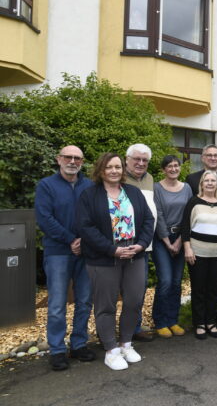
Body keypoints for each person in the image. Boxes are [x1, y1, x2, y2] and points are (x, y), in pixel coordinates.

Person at [76, 153, 154, 371]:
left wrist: (141, 245)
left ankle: (126, 344)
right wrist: (112, 250)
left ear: (123, 170)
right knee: (106, 305)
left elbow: (148, 220)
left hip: (134, 254)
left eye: (118, 167)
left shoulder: (133, 192)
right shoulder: (89, 195)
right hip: (104, 258)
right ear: (101, 170)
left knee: (134, 301)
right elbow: (86, 228)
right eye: (109, 167)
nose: (114, 171)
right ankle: (111, 350)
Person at [35, 145, 95, 371]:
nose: (72, 161)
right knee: (57, 304)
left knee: (84, 301)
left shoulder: (89, 186)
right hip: (58, 252)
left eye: (77, 158)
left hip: (85, 252)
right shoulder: (46, 185)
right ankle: (58, 350)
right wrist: (71, 239)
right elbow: (44, 218)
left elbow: (96, 216)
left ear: (82, 161)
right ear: (58, 159)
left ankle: (79, 344)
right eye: (68, 157)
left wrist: (84, 241)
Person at [185, 144, 217, 327]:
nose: (213, 158)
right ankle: (200, 320)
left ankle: (216, 312)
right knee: (200, 283)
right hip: (198, 243)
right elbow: (189, 214)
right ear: (202, 157)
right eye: (209, 155)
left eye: (216, 155)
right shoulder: (191, 179)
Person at [181, 170, 217, 340]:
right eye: (206, 180)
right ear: (201, 183)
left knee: (213, 289)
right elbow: (185, 226)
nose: (210, 183)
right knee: (199, 289)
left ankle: (210, 322)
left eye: (213, 180)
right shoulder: (194, 202)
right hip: (197, 253)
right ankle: (199, 323)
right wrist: (187, 248)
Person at [152, 155, 192, 338]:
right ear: (163, 169)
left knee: (177, 282)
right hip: (162, 239)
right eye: (170, 166)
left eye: (176, 166)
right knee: (166, 281)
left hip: (182, 237)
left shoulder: (187, 188)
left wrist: (180, 240)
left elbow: (190, 214)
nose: (174, 169)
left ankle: (172, 320)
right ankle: (160, 322)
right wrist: (167, 241)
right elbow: (158, 214)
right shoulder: (157, 188)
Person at [124, 143, 157, 342]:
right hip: (119, 245)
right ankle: (109, 332)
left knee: (138, 290)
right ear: (127, 159)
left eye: (145, 160)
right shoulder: (118, 178)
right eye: (136, 159)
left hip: (143, 246)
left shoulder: (150, 179)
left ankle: (134, 328)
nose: (141, 163)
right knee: (114, 292)